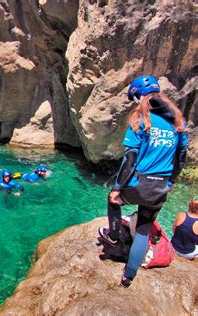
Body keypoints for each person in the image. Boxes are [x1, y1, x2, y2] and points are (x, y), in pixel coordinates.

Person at [98, 75, 188, 287]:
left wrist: (118, 188)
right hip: (160, 186)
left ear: (139, 95)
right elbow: (181, 158)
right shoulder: (177, 121)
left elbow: (130, 159)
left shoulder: (141, 118)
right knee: (144, 230)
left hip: (139, 183)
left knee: (113, 201)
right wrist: (171, 182)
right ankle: (128, 276)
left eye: (134, 98)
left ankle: (112, 236)